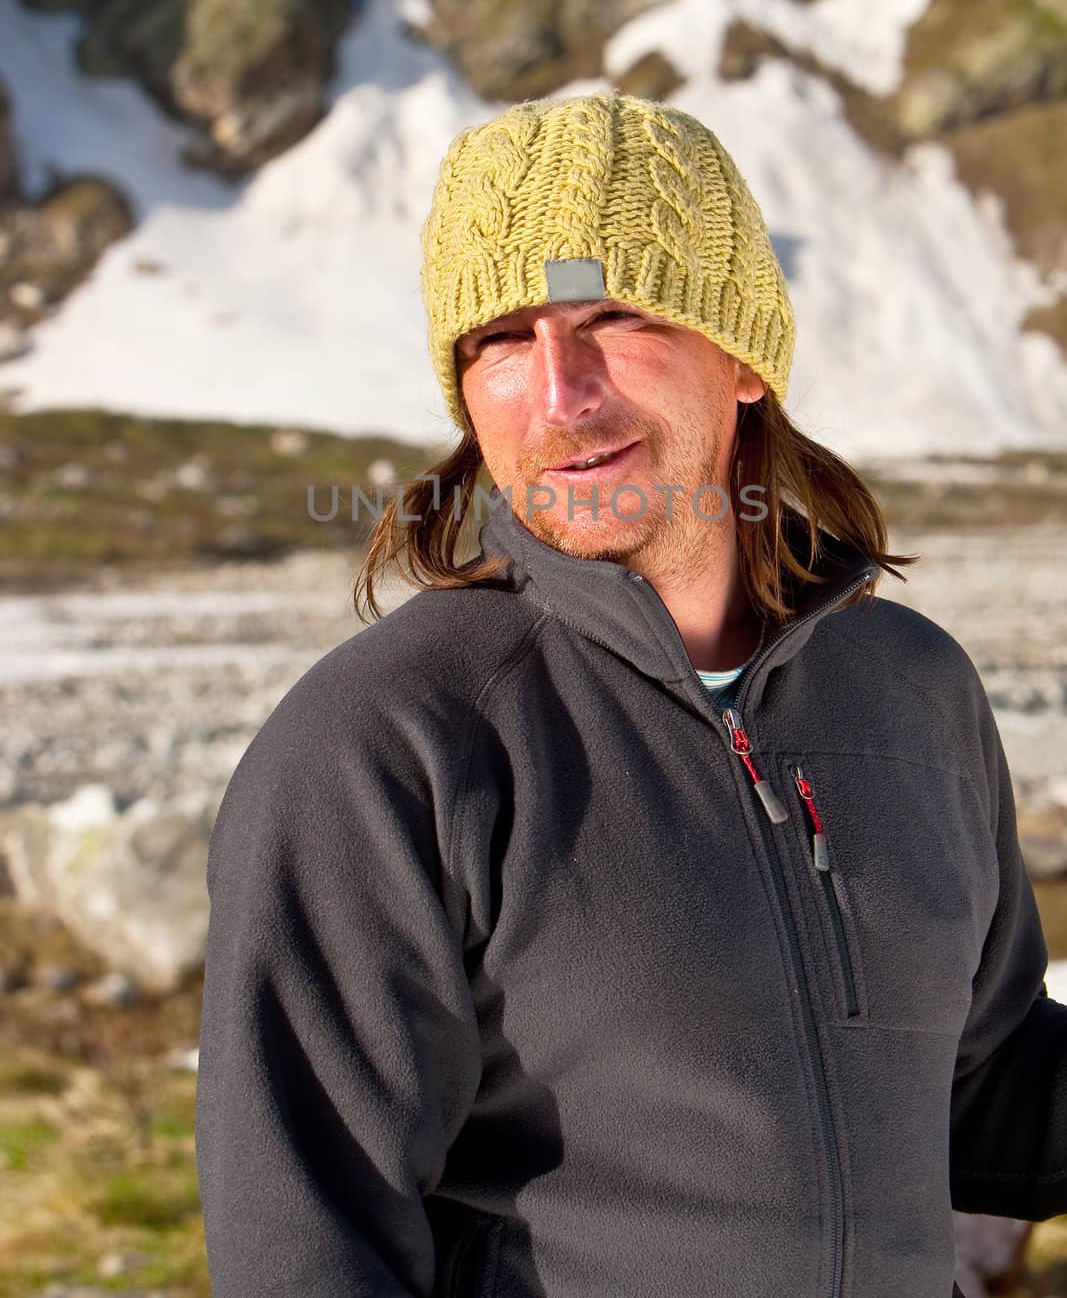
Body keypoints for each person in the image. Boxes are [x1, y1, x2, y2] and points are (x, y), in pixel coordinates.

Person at [195, 93, 1067, 1298]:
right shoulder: (387, 744)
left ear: (743, 355)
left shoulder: (912, 694)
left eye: (612, 313)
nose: (561, 392)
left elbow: (977, 1090)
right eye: (501, 338)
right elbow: (304, 1246)